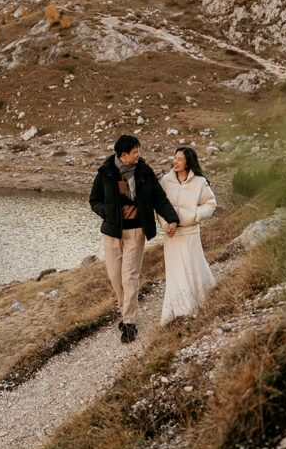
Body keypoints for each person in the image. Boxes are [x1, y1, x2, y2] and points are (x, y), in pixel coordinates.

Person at [89, 134, 179, 343]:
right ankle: (125, 311)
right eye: (135, 152)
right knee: (115, 277)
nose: (139, 155)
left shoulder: (144, 172)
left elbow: (159, 199)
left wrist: (172, 218)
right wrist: (107, 213)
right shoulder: (105, 172)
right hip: (112, 233)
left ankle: (129, 323)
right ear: (123, 155)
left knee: (129, 276)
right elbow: (94, 200)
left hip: (136, 232)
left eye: (139, 151)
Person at [159, 146, 217, 324]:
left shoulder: (200, 182)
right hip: (172, 236)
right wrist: (165, 224)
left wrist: (195, 215)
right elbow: (159, 205)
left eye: (180, 159)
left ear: (188, 163)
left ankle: (199, 305)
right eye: (174, 158)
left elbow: (211, 204)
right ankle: (177, 311)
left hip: (191, 233)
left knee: (193, 268)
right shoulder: (165, 180)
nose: (175, 162)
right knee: (176, 272)